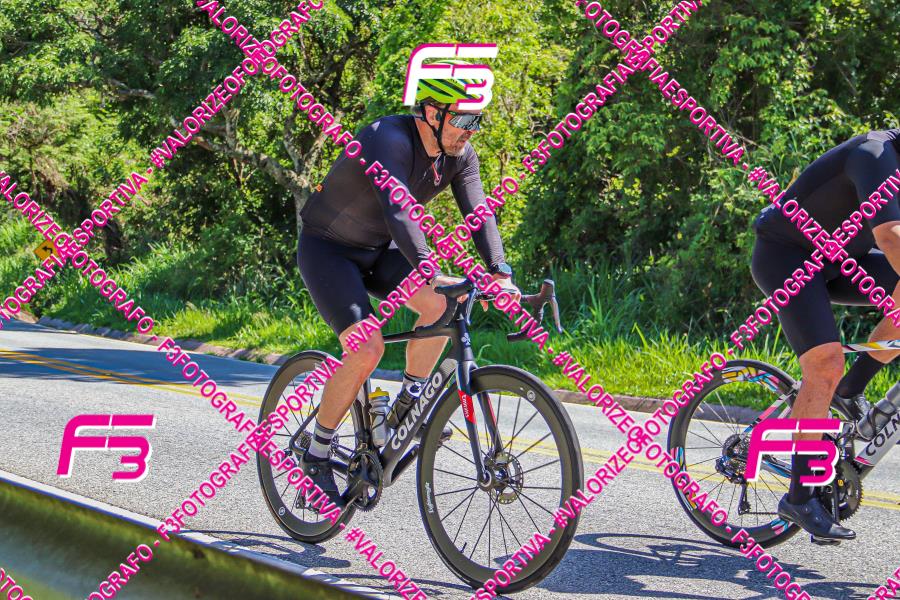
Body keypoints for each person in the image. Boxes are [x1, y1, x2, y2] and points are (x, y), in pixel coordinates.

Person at [296, 62, 520, 508]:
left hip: (379, 251)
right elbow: (399, 210)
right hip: (328, 250)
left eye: (477, 121)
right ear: (432, 112)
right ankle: (316, 453)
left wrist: (500, 271)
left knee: (442, 306)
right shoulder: (386, 139)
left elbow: (479, 212)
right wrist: (429, 269)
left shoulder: (459, 155)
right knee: (367, 349)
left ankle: (406, 405)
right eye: (463, 119)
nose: (470, 131)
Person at [750, 127, 900, 541]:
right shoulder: (874, 154)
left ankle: (849, 390)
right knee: (825, 364)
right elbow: (890, 237)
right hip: (786, 256)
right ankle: (799, 497)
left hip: (841, 258)